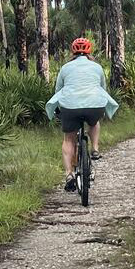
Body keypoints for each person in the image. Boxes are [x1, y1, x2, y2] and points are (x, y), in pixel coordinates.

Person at [46, 37, 119, 192]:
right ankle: (95, 148)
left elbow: (58, 90)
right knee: (94, 122)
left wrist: (59, 108)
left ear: (73, 52)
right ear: (89, 52)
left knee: (68, 139)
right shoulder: (97, 67)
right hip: (94, 105)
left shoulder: (65, 68)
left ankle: (69, 175)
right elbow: (102, 88)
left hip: (70, 106)